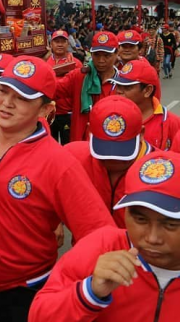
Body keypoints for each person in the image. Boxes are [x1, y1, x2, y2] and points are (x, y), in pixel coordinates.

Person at [0, 56, 115, 322]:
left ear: (46, 110)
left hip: (24, 295)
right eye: (4, 91)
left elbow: (98, 233)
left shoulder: (59, 162)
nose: (7, 104)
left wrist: (73, 285)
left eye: (23, 98)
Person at [28, 151, 180, 322]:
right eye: (140, 220)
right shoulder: (103, 246)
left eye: (171, 224)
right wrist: (89, 292)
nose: (152, 237)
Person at [65, 96, 155, 228]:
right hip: (89, 246)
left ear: (141, 133)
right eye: (104, 152)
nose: (113, 160)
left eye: (122, 152)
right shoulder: (72, 158)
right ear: (89, 132)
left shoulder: (160, 169)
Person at [56, 31, 119, 142]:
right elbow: (53, 89)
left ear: (116, 53)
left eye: (106, 55)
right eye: (96, 55)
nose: (101, 60)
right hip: (81, 142)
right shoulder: (79, 76)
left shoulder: (124, 83)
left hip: (110, 142)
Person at [112, 59, 180, 150]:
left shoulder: (171, 123)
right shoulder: (110, 117)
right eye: (118, 85)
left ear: (148, 90)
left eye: (127, 87)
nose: (119, 91)